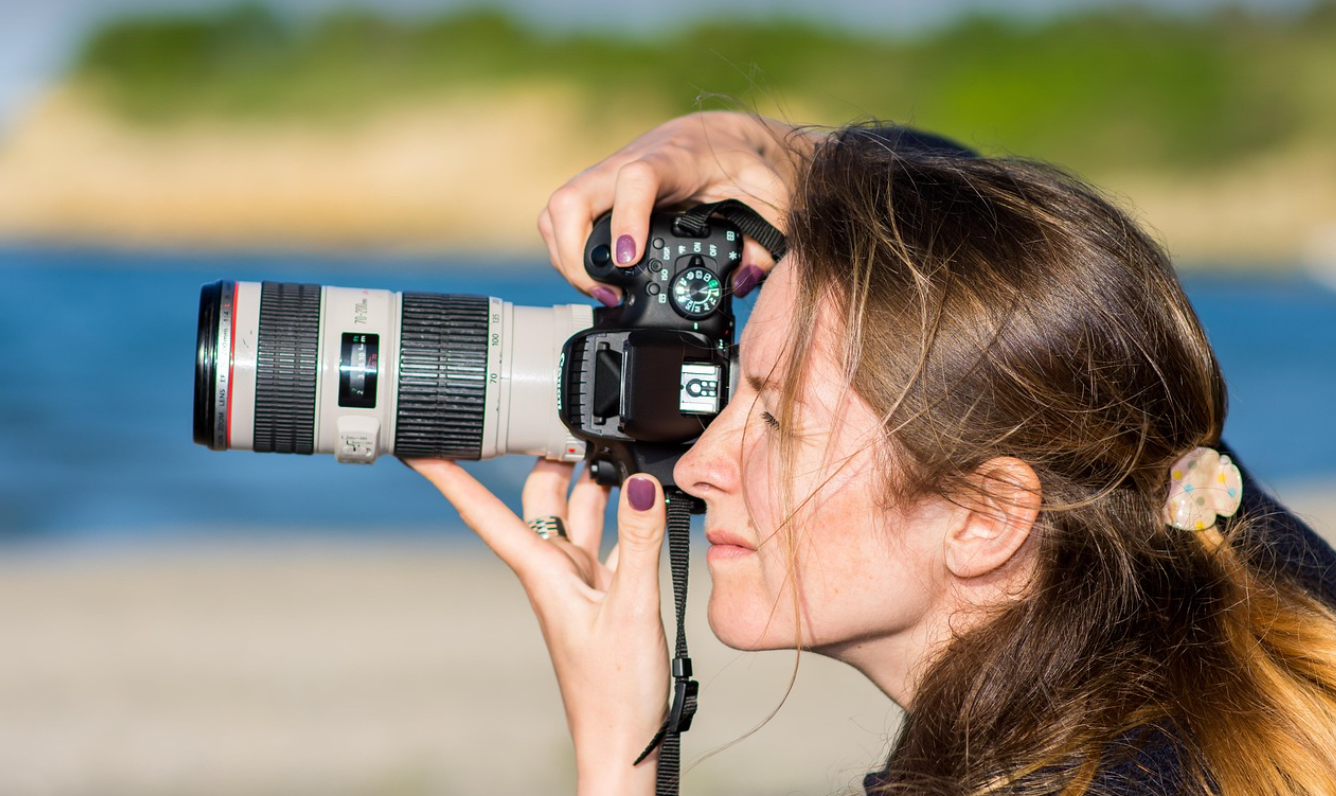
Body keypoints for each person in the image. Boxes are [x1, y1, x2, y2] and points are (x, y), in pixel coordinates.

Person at [406, 112, 1336, 795]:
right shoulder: (1220, 548)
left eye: (773, 420)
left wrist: (618, 753)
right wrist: (782, 159)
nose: (693, 469)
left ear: (986, 516)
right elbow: (1069, 323)